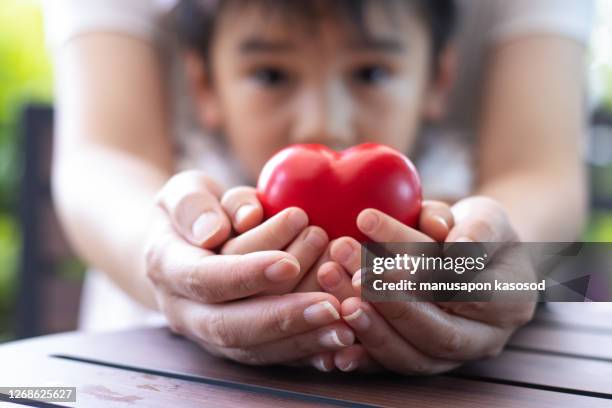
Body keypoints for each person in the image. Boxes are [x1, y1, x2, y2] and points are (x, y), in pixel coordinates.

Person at [43, 0, 592, 374]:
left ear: (438, 80)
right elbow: (101, 157)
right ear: (203, 85)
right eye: (272, 75)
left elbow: (543, 177)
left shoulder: (447, 203)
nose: (323, 124)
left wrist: (501, 266)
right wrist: (169, 258)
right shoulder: (212, 193)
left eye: (371, 73)